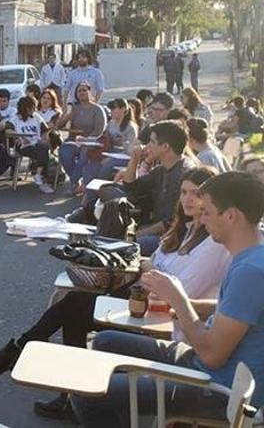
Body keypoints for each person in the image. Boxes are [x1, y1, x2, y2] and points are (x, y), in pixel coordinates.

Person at [0, 168, 230, 421]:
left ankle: (27, 357)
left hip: (163, 319)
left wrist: (151, 270)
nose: (187, 199)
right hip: (149, 304)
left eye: (196, 194)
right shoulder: (185, 230)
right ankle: (61, 387)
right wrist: (150, 269)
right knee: (75, 305)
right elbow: (154, 268)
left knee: (75, 306)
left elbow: (179, 288)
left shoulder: (212, 244)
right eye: (184, 192)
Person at [71, 171, 264, 427]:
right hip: (206, 365)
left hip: (219, 389)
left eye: (206, 212)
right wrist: (191, 306)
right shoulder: (252, 258)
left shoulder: (250, 272)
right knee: (105, 341)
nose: (201, 220)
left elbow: (212, 355)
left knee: (86, 391)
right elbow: (236, 311)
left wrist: (179, 299)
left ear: (231, 216)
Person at [120, 120, 196, 255]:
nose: (148, 146)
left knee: (128, 246)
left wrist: (136, 234)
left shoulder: (182, 175)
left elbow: (170, 222)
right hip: (154, 226)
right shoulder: (162, 169)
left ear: (165, 147)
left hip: (172, 236)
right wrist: (134, 160)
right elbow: (131, 187)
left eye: (152, 142)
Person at [55, 82, 107, 194]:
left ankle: (73, 182)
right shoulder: (73, 108)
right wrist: (66, 118)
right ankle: (78, 182)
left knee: (84, 154)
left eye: (84, 90)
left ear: (90, 92)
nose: (82, 93)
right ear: (76, 94)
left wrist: (86, 140)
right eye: (79, 91)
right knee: (64, 153)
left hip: (90, 141)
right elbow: (59, 126)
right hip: (73, 140)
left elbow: (99, 130)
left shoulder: (97, 109)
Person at [6, 96, 54, 194]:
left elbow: (45, 131)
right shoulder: (15, 118)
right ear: (26, 108)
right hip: (23, 145)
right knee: (43, 151)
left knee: (43, 147)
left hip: (36, 143)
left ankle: (38, 173)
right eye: (32, 108)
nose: (34, 110)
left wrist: (45, 137)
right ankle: (40, 177)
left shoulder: (36, 116)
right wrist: (20, 137)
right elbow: (8, 131)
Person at [93, 98, 138, 180]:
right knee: (90, 165)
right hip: (111, 152)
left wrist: (111, 158)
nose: (111, 111)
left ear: (123, 109)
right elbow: (104, 138)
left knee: (106, 167)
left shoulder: (130, 127)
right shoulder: (111, 123)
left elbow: (130, 150)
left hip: (125, 156)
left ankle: (98, 187)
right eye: (111, 109)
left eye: (114, 108)